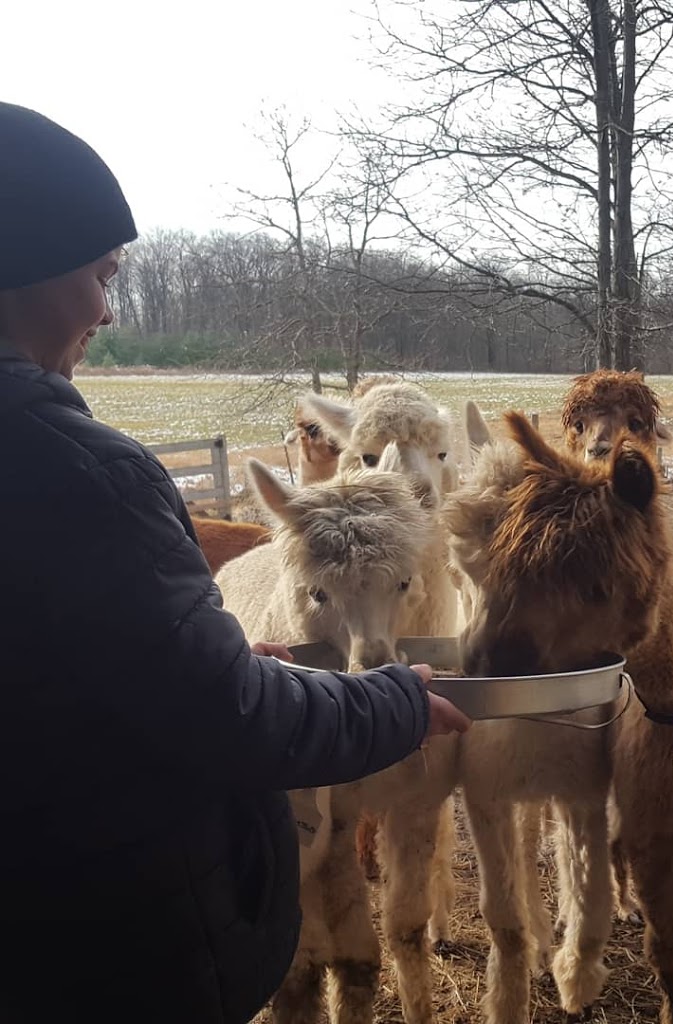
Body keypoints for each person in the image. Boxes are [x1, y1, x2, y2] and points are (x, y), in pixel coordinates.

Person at [0, 102, 471, 1024]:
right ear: (21, 264)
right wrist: (397, 700)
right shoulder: (76, 471)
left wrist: (198, 665)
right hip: (99, 943)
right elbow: (227, 720)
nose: (105, 310)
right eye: (98, 277)